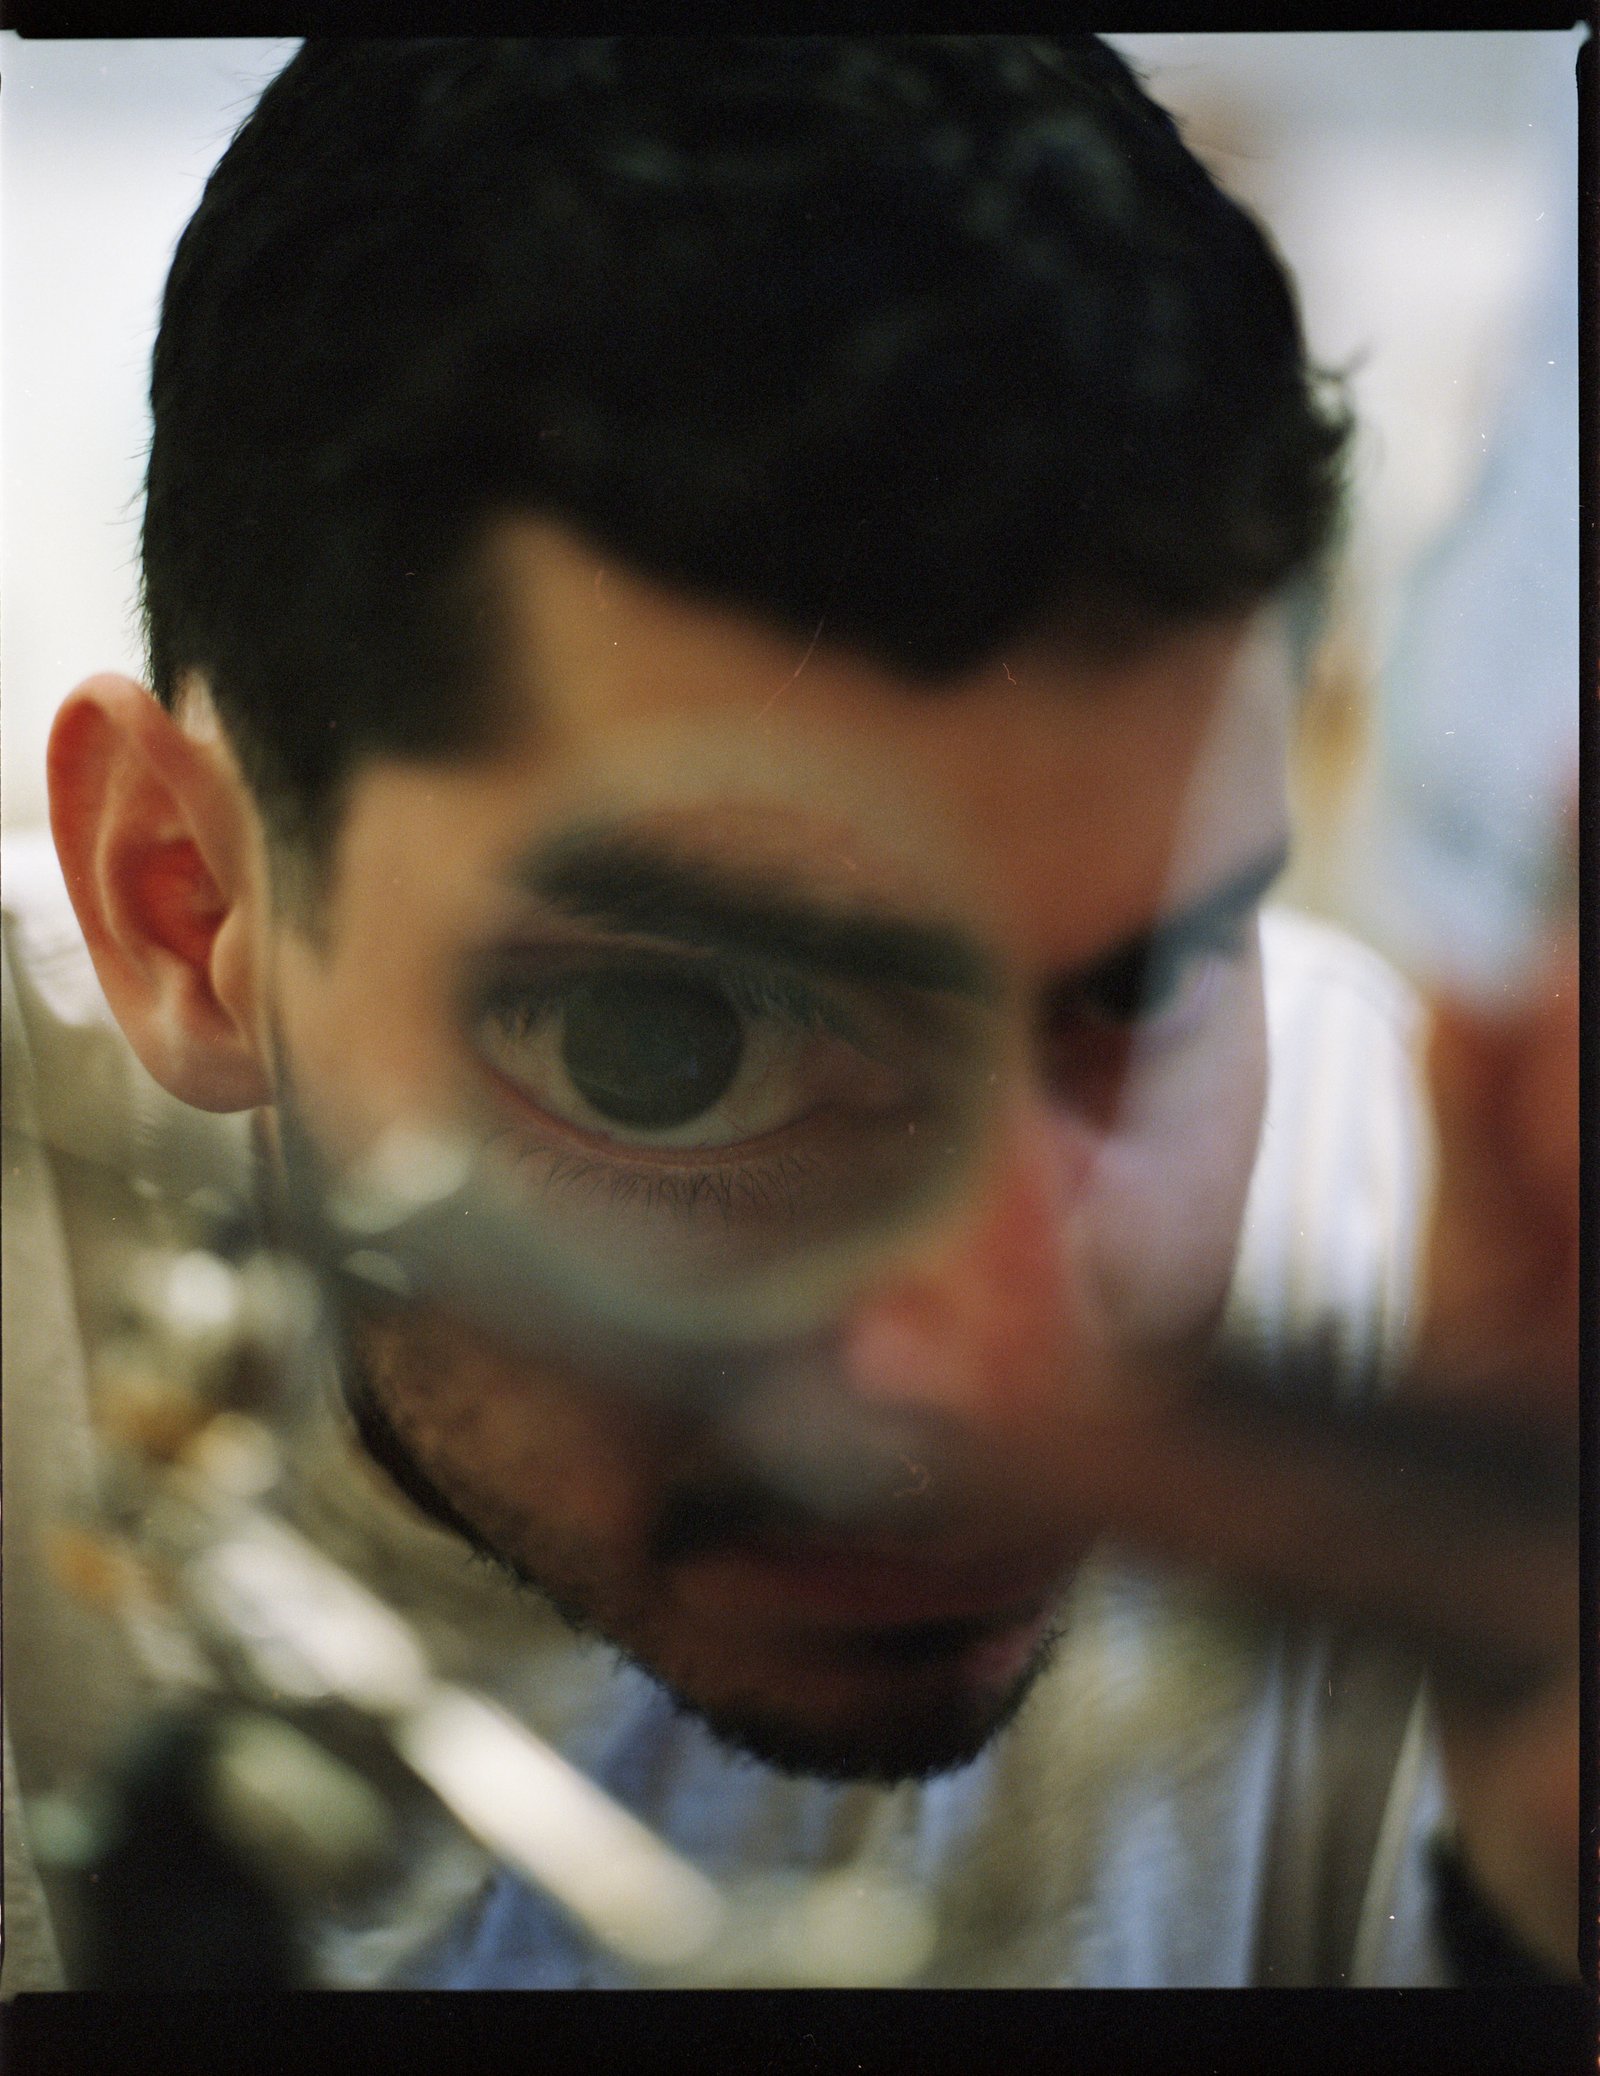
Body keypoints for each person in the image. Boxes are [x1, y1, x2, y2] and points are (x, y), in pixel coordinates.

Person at [1, 36, 1576, 1991]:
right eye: (664, 1048)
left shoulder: (1433, 1295)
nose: (1005, 1377)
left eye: (1144, 982)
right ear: (187, 907)